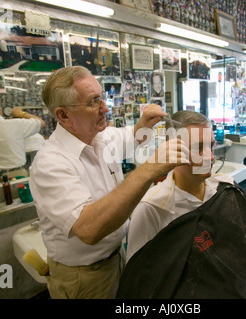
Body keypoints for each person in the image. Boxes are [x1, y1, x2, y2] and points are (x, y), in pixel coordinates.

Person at [28, 66, 189, 299]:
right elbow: (89, 229)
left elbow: (132, 136)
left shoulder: (100, 137)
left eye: (101, 98)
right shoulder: (50, 164)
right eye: (93, 102)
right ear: (63, 115)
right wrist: (148, 171)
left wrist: (145, 122)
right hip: (84, 277)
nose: (105, 108)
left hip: (117, 258)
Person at [126, 110, 234, 261]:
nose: (210, 157)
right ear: (173, 151)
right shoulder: (152, 208)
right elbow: (139, 275)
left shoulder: (225, 188)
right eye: (198, 148)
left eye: (211, 145)